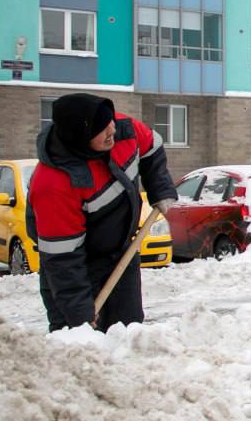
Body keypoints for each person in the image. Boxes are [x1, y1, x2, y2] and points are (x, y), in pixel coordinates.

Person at [27, 94, 178, 332]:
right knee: (78, 343)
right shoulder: (54, 185)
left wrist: (160, 189)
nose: (112, 131)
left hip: (121, 254)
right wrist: (79, 311)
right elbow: (62, 259)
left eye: (110, 123)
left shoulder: (122, 130)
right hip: (75, 266)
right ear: (81, 137)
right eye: (102, 129)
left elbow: (152, 147)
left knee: (128, 333)